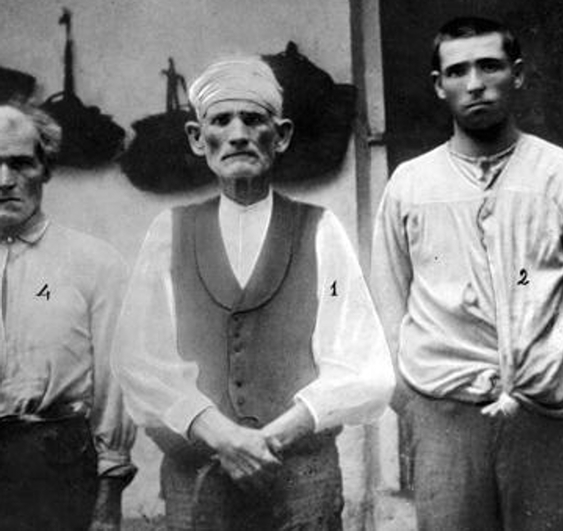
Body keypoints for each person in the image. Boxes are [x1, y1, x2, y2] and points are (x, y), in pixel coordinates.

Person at [111, 56, 394, 530]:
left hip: (300, 478)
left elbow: (364, 364)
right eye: (221, 121)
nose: (238, 134)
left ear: (280, 136)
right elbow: (138, 359)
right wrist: (220, 434)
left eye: (253, 119)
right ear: (197, 139)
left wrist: (270, 440)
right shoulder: (170, 232)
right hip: (200, 477)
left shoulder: (320, 230)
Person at [371, 16, 563, 531]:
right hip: (445, 415)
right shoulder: (409, 185)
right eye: (457, 71)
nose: (475, 83)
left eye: (490, 66)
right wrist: (415, 405)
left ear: (518, 74)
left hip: (544, 417)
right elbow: (387, 303)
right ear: (438, 85)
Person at [0, 101, 136, 530]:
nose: (4, 180)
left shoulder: (95, 264)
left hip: (54, 469)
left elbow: (117, 384)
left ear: (46, 169)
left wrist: (109, 494)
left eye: (20, 163)